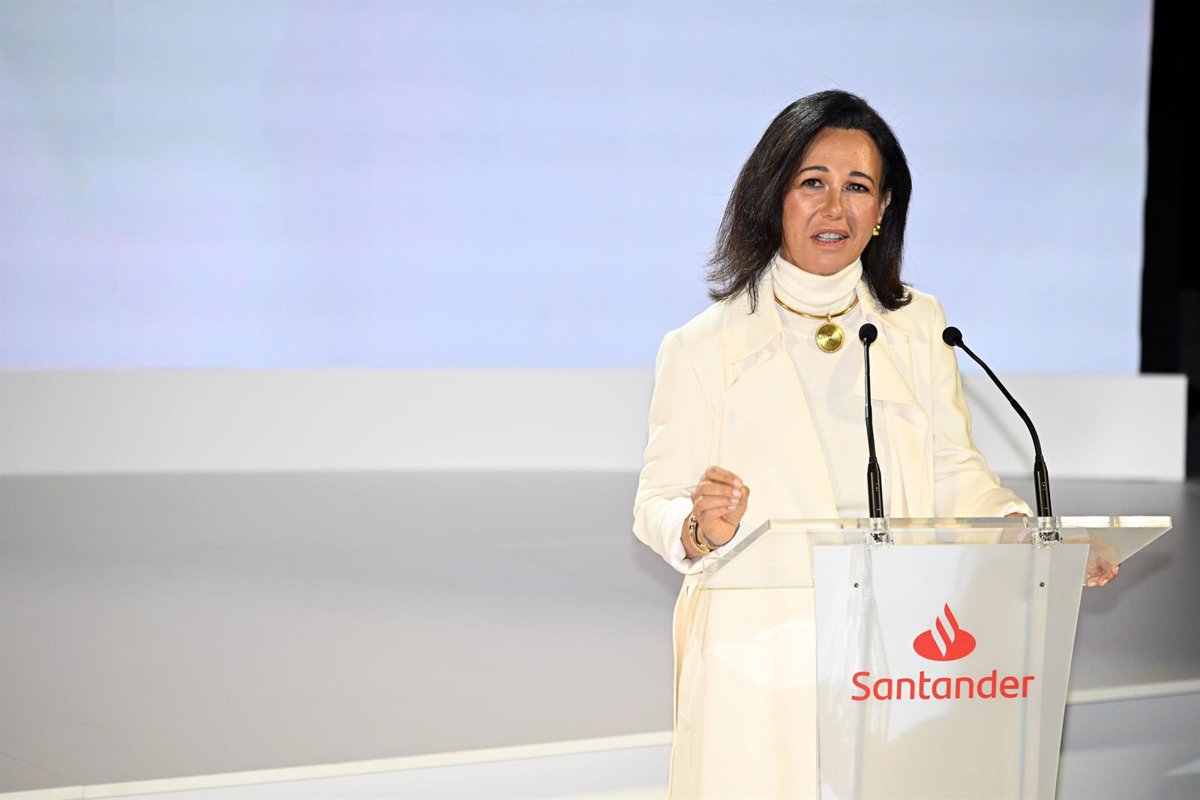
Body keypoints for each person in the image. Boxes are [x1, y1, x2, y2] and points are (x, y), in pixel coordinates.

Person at [631, 90, 1116, 798]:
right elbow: (655, 503)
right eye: (812, 184)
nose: (835, 209)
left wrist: (1023, 530)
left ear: (884, 207)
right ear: (774, 197)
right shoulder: (703, 347)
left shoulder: (918, 326)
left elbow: (955, 469)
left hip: (897, 655)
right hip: (761, 657)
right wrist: (701, 527)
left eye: (857, 187)